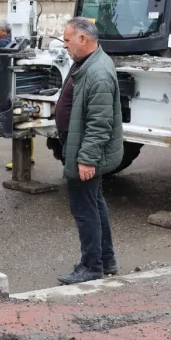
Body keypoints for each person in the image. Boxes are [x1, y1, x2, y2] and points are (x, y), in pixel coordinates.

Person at [56, 17, 123, 285]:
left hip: (84, 151)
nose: (64, 45)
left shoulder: (98, 73)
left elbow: (99, 124)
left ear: (83, 39)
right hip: (79, 146)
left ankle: (91, 265)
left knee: (85, 209)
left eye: (67, 39)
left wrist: (86, 159)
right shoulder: (87, 63)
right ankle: (106, 260)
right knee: (94, 203)